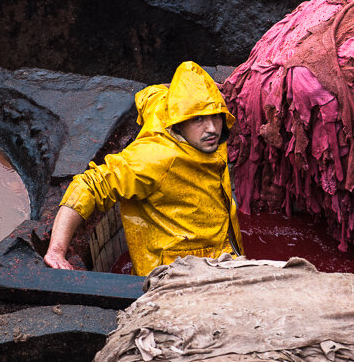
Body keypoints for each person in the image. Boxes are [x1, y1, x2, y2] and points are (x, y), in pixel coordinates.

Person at [43, 61, 244, 276]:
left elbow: (150, 93)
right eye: (198, 119)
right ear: (178, 121)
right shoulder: (153, 159)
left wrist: (196, 88)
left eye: (215, 115)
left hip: (223, 254)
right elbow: (89, 186)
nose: (212, 128)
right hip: (178, 274)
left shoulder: (165, 109)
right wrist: (56, 250)